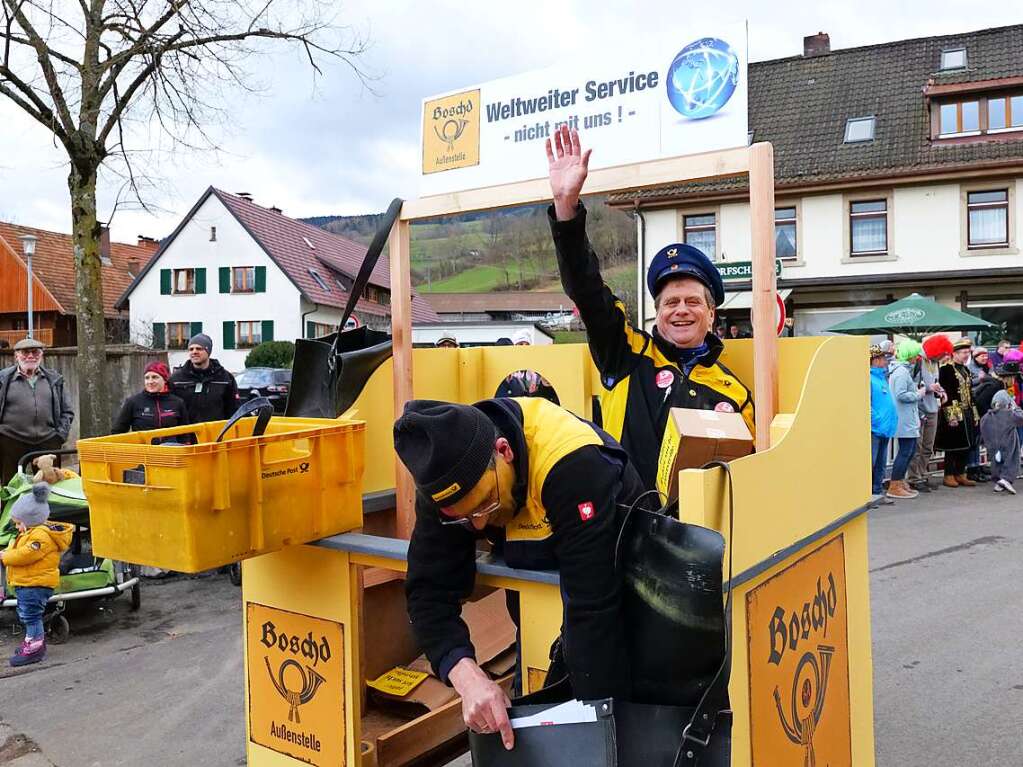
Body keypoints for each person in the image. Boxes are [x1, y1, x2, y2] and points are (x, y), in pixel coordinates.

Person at [396, 396, 649, 749]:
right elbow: (428, 592)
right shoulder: (446, 480)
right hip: (546, 601)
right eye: (466, 518)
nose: (480, 522)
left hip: (622, 599)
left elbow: (594, 614)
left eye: (486, 502)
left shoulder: (575, 462)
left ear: (504, 451)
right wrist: (469, 679)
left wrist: (598, 741)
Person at [545, 126, 753, 490]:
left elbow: (746, 475)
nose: (681, 310)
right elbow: (586, 288)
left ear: (711, 314)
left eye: (692, 302)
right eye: (671, 302)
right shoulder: (625, 352)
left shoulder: (735, 392)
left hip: (697, 537)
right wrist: (566, 207)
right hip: (624, 529)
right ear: (657, 312)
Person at [0, 483, 73, 666]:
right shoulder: (32, 533)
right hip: (29, 584)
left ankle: (35, 648)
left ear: (30, 520)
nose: (16, 527)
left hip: (35, 585)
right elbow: (20, 549)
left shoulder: (40, 536)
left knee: (31, 616)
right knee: (27, 615)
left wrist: (6, 557)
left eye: (18, 523)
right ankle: (32, 642)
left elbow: (25, 555)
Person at [0, 338, 74, 486]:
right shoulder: (3, 379)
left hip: (47, 441)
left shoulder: (54, 379)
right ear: (16, 356)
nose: (30, 356)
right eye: (25, 352)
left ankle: (47, 510)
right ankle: (11, 510)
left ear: (41, 355)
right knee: (10, 486)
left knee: (50, 484)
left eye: (35, 352)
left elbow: (67, 411)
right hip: (10, 441)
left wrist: (59, 435)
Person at [935, 338, 978, 488]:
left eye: (968, 352)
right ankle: (948, 475)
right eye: (964, 352)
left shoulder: (966, 369)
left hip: (967, 410)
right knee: (953, 445)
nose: (967, 355)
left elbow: (970, 392)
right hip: (954, 411)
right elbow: (945, 392)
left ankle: (961, 473)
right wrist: (951, 415)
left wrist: (975, 413)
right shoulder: (946, 369)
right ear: (955, 353)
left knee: (967, 445)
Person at [167, 334, 238, 424]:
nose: (194, 352)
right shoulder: (176, 379)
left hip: (217, 434)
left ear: (208, 351)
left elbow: (233, 409)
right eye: (191, 349)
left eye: (199, 349)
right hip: (186, 434)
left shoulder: (225, 378)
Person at [887, 341, 926, 500]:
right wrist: (918, 394)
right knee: (905, 452)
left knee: (908, 451)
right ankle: (895, 484)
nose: (917, 358)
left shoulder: (901, 370)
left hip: (906, 417)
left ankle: (899, 482)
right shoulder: (902, 372)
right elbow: (901, 394)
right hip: (904, 418)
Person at [907, 335, 947, 492]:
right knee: (917, 446)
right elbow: (911, 386)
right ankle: (913, 478)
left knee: (928, 446)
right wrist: (928, 389)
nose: (943, 357)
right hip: (919, 409)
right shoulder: (918, 361)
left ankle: (921, 475)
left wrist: (941, 391)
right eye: (942, 353)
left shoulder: (934, 361)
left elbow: (935, 382)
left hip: (932, 408)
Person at [112, 361, 191, 436]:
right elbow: (118, 431)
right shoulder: (133, 402)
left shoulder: (177, 402)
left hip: (171, 448)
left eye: (155, 377)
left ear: (165, 380)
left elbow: (185, 432)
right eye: (147, 378)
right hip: (144, 449)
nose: (150, 381)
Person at [869, 344, 898, 505]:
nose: (885, 361)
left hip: (883, 428)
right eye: (882, 358)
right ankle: (868, 495)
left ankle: (877, 491)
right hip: (876, 428)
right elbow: (866, 405)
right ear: (874, 360)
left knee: (880, 463)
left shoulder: (880, 378)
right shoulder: (869, 378)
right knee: (871, 463)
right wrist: (877, 420)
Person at [981, 391, 1023, 494]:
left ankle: (998, 480)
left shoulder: (987, 416)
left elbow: (982, 429)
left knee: (996, 462)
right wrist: (1015, 407)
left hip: (993, 445)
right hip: (1008, 443)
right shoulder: (1009, 414)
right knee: (1011, 460)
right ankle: (1006, 479)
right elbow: (1021, 418)